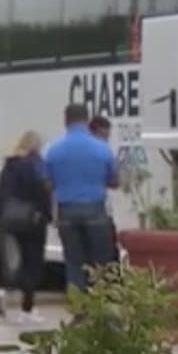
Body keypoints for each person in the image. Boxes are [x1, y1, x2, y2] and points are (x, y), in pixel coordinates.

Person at [44, 104, 118, 291]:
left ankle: (78, 302)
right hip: (96, 210)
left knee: (74, 262)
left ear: (65, 121)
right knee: (101, 263)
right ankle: (100, 301)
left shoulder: (53, 150)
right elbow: (114, 181)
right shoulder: (102, 148)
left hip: (66, 211)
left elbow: (48, 184)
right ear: (86, 120)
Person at [0, 130, 52, 324]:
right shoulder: (36, 164)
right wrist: (47, 215)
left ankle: (5, 292)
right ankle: (27, 309)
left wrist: (2, 217)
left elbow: (1, 194)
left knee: (22, 262)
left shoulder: (9, 165)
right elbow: (42, 191)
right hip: (33, 220)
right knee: (33, 265)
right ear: (36, 146)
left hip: (12, 220)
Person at [88, 115, 122, 266]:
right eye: (104, 136)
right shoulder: (103, 152)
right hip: (98, 210)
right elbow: (114, 182)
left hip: (75, 209)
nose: (106, 140)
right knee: (106, 254)